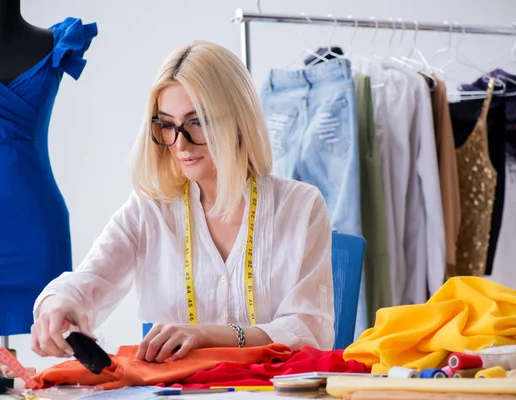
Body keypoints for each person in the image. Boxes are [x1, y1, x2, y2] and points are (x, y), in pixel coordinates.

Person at [30, 41, 334, 363]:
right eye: (167, 125)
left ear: (237, 120)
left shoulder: (301, 207)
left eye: (196, 122)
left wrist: (205, 334)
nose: (181, 144)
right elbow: (90, 279)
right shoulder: (150, 210)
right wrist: (57, 302)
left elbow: (309, 328)